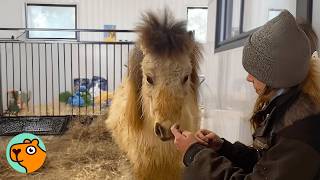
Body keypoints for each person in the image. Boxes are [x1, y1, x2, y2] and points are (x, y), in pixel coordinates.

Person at [171, 10, 320, 180]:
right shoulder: (288, 108)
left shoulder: (300, 133)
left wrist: (194, 153)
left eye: (255, 72)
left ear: (276, 76)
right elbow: (267, 164)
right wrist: (224, 148)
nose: (248, 78)